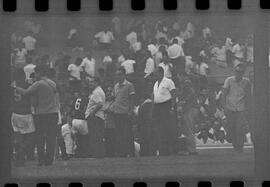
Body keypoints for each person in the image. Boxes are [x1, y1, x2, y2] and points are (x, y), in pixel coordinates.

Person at [13, 65, 59, 166]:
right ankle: (49, 160)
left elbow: (26, 93)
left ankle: (41, 159)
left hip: (41, 114)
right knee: (51, 138)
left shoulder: (37, 84)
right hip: (53, 113)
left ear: (39, 73)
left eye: (36, 73)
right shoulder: (52, 83)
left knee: (40, 137)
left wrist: (15, 87)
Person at [221, 63, 251, 152]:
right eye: (237, 71)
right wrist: (224, 107)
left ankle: (239, 147)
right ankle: (235, 144)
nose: (238, 73)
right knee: (231, 128)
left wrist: (247, 108)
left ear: (243, 73)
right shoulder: (229, 80)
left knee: (240, 128)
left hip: (241, 108)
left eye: (240, 72)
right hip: (230, 108)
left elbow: (248, 96)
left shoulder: (246, 82)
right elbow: (223, 95)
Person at [11, 69, 35, 166]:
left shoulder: (11, 86)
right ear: (23, 75)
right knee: (31, 137)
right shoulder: (28, 86)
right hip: (26, 114)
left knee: (18, 136)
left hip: (15, 113)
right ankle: (21, 152)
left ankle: (19, 155)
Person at [110, 67, 136, 157]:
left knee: (127, 135)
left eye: (120, 74)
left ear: (124, 75)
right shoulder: (116, 86)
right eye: (117, 75)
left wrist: (130, 111)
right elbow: (113, 98)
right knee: (119, 135)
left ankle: (131, 153)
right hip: (117, 114)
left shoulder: (129, 85)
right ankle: (122, 154)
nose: (118, 76)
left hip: (126, 114)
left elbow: (132, 99)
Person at [152, 67, 177, 156]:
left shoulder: (168, 81)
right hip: (158, 107)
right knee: (160, 130)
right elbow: (154, 96)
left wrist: (172, 108)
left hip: (166, 106)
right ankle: (163, 150)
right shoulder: (155, 84)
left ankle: (171, 150)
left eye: (156, 73)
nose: (154, 75)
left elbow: (174, 94)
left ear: (161, 73)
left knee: (168, 129)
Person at [177, 72, 200, 155]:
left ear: (182, 75)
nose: (178, 79)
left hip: (190, 109)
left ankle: (192, 150)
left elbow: (192, 93)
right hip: (191, 108)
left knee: (189, 129)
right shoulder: (187, 82)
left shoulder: (186, 82)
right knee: (188, 130)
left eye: (179, 76)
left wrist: (185, 101)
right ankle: (191, 149)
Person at [85, 77, 106, 158]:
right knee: (98, 136)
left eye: (92, 82)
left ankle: (96, 154)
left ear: (97, 83)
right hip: (99, 116)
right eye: (90, 82)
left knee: (94, 136)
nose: (90, 84)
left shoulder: (96, 92)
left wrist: (92, 113)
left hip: (95, 116)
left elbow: (100, 103)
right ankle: (99, 154)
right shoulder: (100, 91)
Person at [70, 91, 89, 158]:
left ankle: (77, 153)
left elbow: (71, 111)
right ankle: (84, 153)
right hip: (82, 120)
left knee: (77, 138)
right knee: (84, 138)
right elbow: (85, 109)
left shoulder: (75, 100)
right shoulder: (86, 99)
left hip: (74, 120)